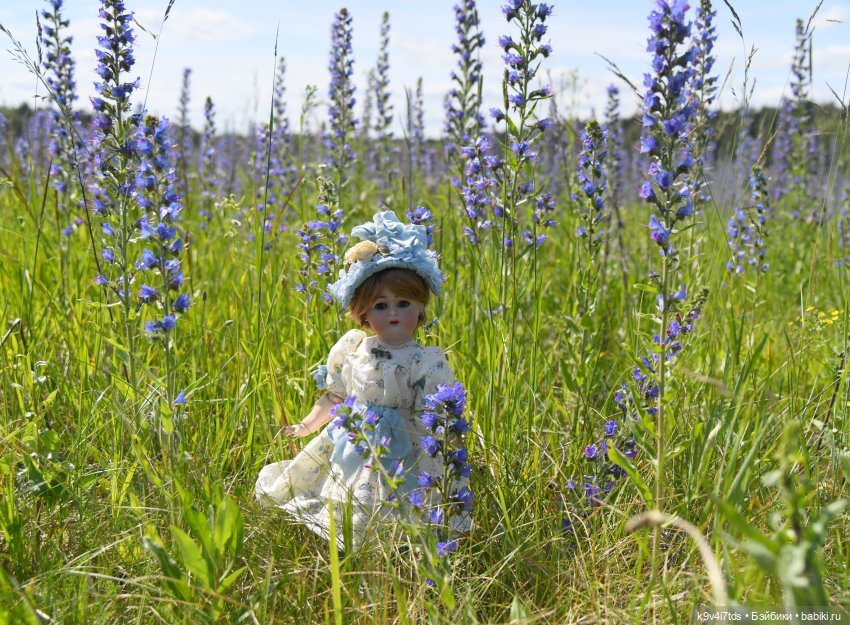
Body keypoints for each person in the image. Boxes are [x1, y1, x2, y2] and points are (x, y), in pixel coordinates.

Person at [255, 211, 470, 550]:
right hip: (354, 441)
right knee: (348, 493)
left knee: (399, 501)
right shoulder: (353, 348)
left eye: (403, 303)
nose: (393, 312)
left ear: (421, 309)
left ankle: (394, 549)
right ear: (364, 314)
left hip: (404, 447)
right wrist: (307, 425)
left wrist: (453, 442)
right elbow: (335, 397)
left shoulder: (425, 360)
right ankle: (351, 550)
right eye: (380, 306)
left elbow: (438, 412)